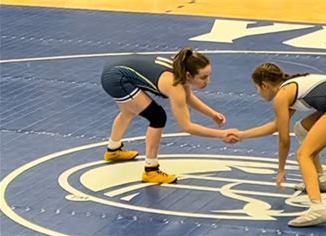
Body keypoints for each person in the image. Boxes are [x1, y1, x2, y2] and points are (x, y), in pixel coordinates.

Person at [229, 63, 326, 227]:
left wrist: (281, 169)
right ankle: (320, 178)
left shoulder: (281, 96)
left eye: (256, 88)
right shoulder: (289, 87)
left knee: (302, 154)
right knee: (301, 129)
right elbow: (276, 125)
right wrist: (242, 135)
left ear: (264, 85)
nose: (257, 92)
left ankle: (317, 208)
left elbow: (284, 141)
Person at [101, 48, 238, 184]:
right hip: (115, 77)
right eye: (203, 77)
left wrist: (211, 114)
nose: (208, 82)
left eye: (208, 76)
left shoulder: (181, 69)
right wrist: (222, 134)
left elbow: (187, 98)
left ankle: (113, 150)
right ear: (189, 75)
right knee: (157, 117)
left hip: (119, 68)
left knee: (129, 110)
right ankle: (151, 170)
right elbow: (186, 127)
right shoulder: (174, 84)